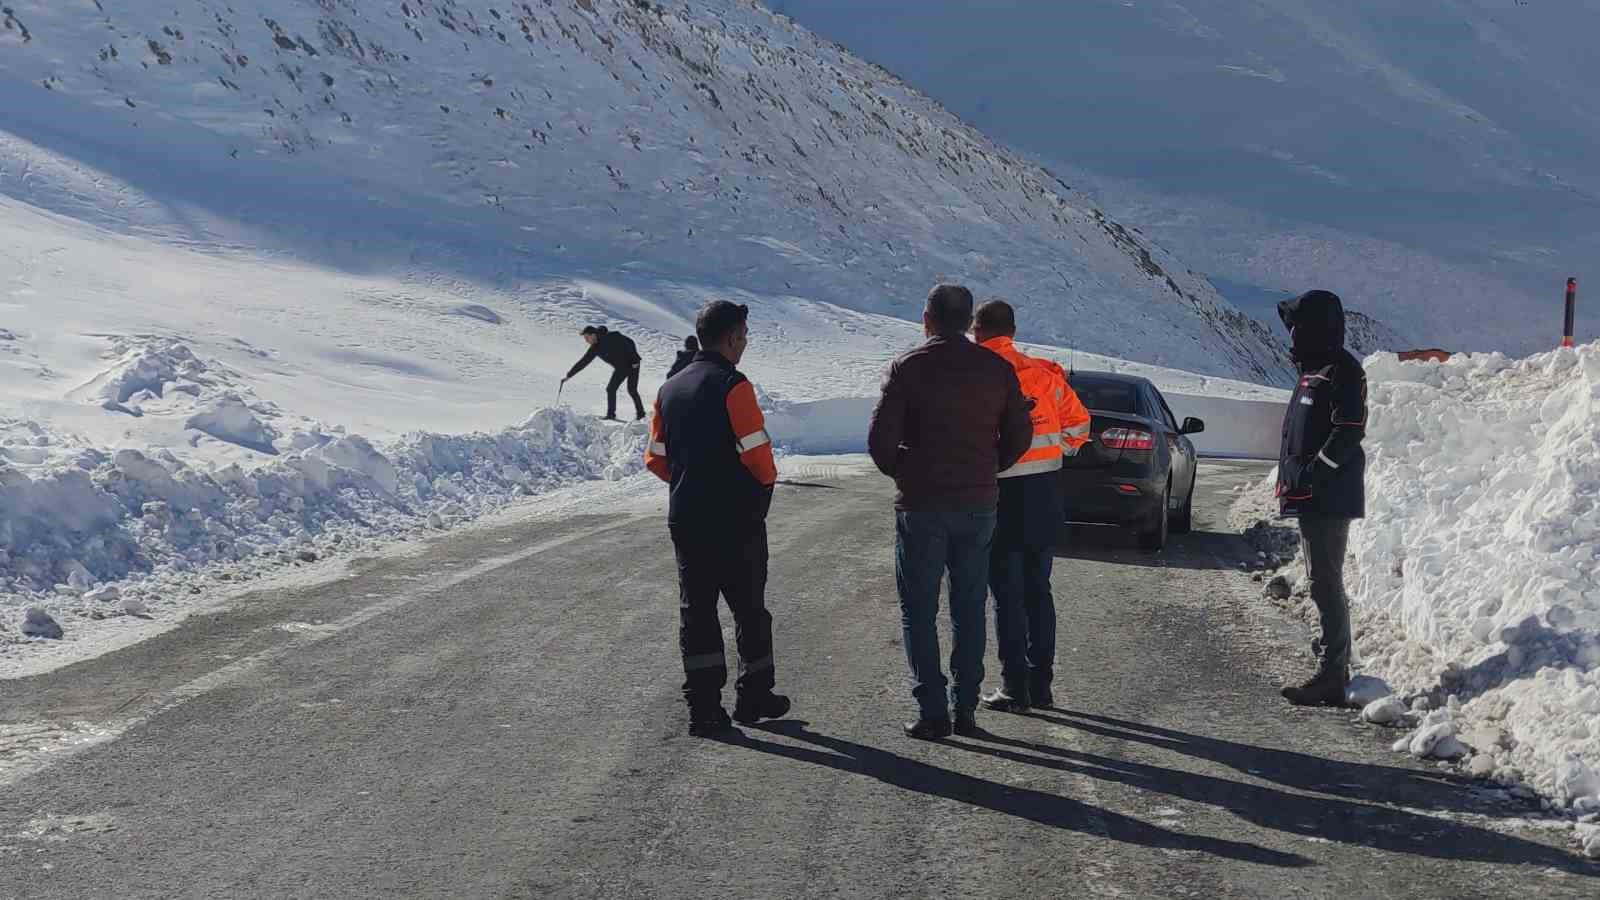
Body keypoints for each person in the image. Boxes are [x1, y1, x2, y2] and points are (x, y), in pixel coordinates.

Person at [868, 284, 1033, 739]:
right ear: (967, 323)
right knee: (969, 605)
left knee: (918, 609)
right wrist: (987, 466)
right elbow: (1020, 436)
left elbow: (880, 442)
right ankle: (966, 708)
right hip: (977, 503)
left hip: (921, 503)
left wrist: (909, 468)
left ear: (927, 319)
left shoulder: (909, 367)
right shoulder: (997, 369)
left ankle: (932, 711)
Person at [644, 301, 791, 735]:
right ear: (730, 337)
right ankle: (754, 696)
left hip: (688, 518)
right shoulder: (734, 386)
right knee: (749, 611)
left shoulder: (668, 389)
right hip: (735, 520)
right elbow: (760, 458)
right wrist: (759, 491)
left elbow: (655, 459)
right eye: (744, 335)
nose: (745, 343)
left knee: (698, 613)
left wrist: (689, 484)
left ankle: (705, 708)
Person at [972, 299, 1091, 713]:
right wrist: (1054, 451)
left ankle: (1014, 688)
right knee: (1038, 590)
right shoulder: (1044, 375)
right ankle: (1042, 686)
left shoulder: (976, 372)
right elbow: (1078, 426)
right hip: (1043, 492)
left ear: (976, 331)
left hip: (999, 493)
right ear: (1014, 331)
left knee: (1006, 594)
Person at [1275, 289, 1367, 707]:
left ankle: (1332, 674)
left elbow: (1349, 428)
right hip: (1311, 494)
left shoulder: (1342, 370)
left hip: (1328, 496)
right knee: (1320, 580)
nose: (1290, 334)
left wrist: (1317, 471)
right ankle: (1333, 662)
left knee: (1325, 582)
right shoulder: (1314, 370)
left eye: (1297, 327)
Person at [564, 325, 645, 421]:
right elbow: (583, 362)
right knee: (610, 389)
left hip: (633, 364)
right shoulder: (594, 348)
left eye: (587, 338)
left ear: (593, 335)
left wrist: (635, 360)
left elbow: (629, 343)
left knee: (632, 389)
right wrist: (569, 375)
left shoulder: (612, 336)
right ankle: (611, 415)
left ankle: (641, 414)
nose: (586, 341)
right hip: (620, 368)